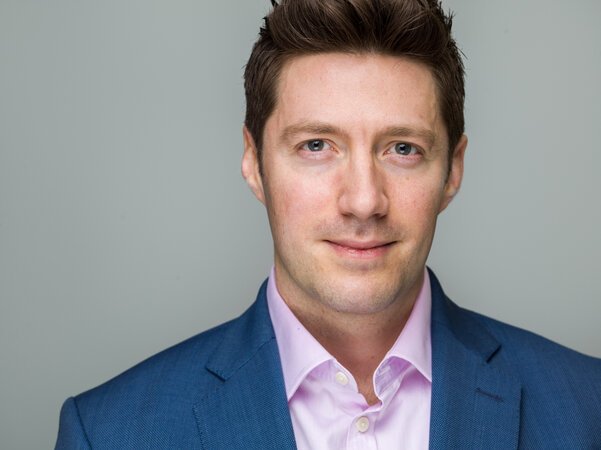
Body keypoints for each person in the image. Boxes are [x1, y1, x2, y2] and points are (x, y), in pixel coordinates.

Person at [55, 0, 601, 448]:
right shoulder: (110, 433)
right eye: (317, 145)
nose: (363, 201)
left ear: (452, 170)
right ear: (254, 162)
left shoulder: (587, 408)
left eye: (403, 148)